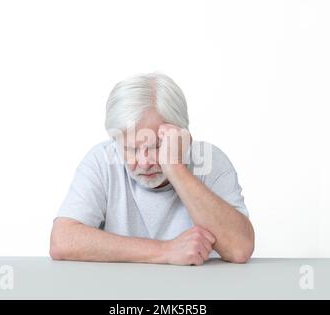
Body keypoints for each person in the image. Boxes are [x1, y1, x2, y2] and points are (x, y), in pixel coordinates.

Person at [50, 72, 254, 265]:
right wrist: (165, 251)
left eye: (157, 145)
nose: (145, 162)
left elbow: (240, 249)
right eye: (130, 149)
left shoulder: (210, 160)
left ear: (182, 134)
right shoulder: (102, 160)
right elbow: (62, 241)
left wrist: (175, 167)